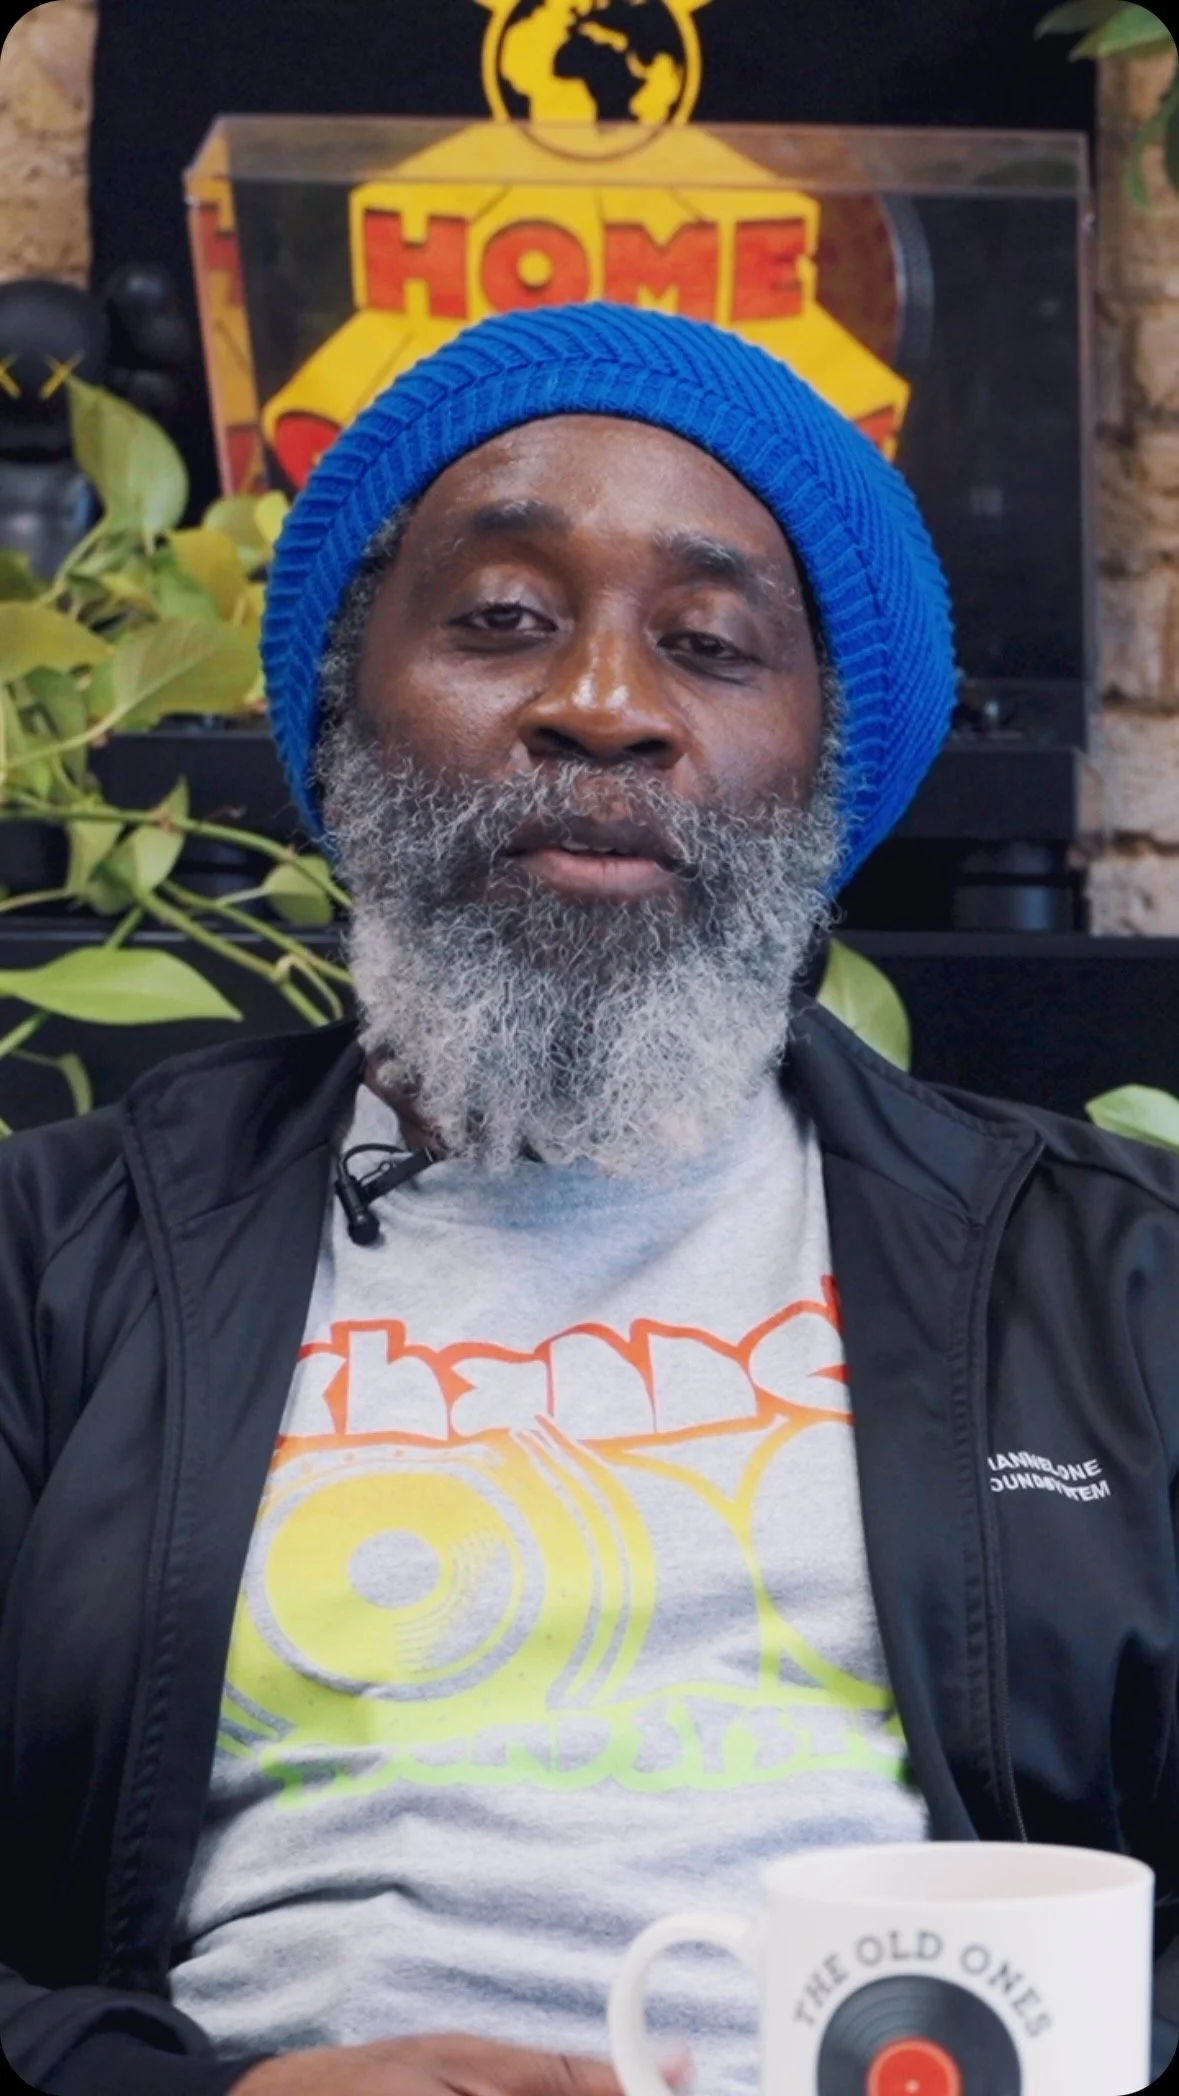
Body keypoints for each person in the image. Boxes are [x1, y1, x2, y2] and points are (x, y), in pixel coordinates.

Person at [1, 304, 1177, 2096]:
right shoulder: (51, 1264)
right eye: (501, 619)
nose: (603, 706)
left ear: (825, 767)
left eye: (706, 643)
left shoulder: (1118, 1283)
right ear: (343, 708)